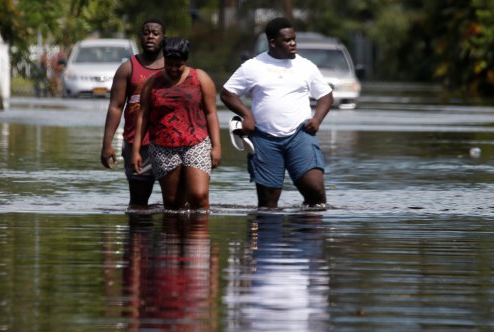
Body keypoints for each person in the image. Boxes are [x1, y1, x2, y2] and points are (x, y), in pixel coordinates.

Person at [220, 17, 334, 209]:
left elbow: (326, 96)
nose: (293, 44)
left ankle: (307, 232)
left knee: (316, 193)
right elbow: (227, 94)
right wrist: (247, 115)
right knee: (268, 202)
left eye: (294, 39)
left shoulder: (306, 66)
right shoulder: (253, 66)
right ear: (272, 42)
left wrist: (317, 119)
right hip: (264, 138)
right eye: (287, 40)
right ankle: (268, 236)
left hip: (300, 135)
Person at [132, 38, 221, 210]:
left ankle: (198, 234)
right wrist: (136, 150)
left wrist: (216, 147)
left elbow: (211, 113)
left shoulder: (200, 78)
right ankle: (175, 235)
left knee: (199, 196)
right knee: (173, 202)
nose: (173, 69)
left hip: (196, 143)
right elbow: (143, 115)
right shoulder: (152, 82)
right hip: (163, 147)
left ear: (185, 61)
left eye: (178, 65)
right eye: (169, 64)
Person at [100, 19, 166, 208]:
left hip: (168, 144)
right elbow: (115, 106)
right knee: (138, 204)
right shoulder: (128, 68)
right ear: (140, 37)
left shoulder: (174, 68)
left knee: (175, 204)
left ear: (163, 38)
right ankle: (137, 235)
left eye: (155, 33)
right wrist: (107, 145)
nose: (150, 37)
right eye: (146, 33)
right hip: (136, 144)